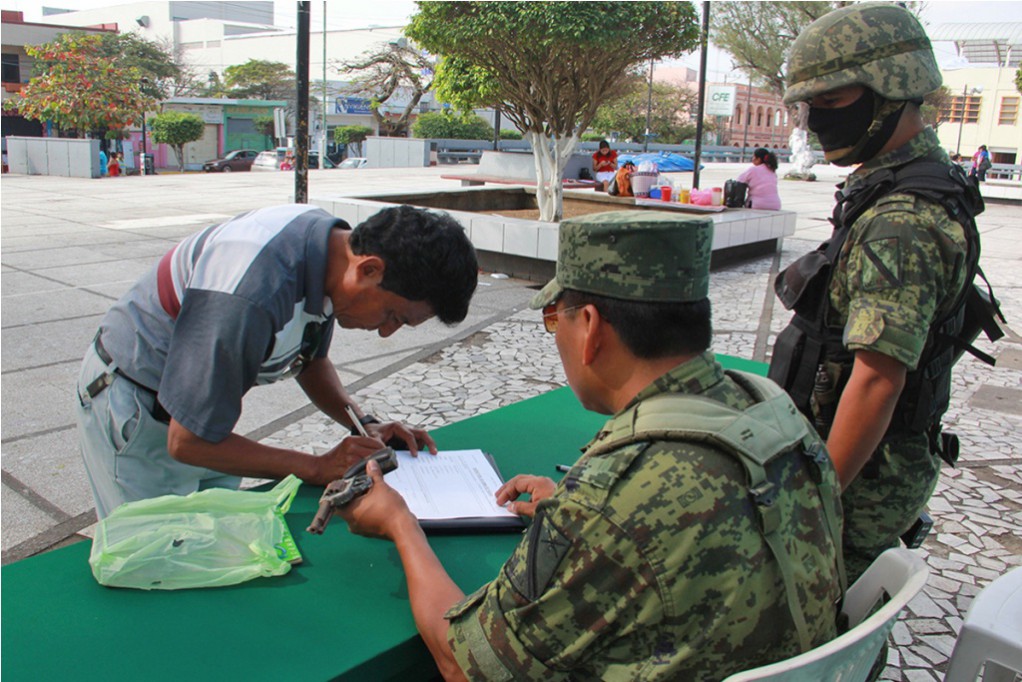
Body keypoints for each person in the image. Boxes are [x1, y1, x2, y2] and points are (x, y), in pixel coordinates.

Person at [337, 211, 844, 680]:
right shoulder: (772, 405)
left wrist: (400, 524)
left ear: (592, 328)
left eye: (556, 318)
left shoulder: (613, 494)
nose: (556, 335)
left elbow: (464, 665)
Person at [75, 204, 479, 518]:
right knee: (153, 561)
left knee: (208, 539)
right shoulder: (250, 291)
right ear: (370, 269)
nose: (387, 332)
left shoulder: (330, 251)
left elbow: (310, 358)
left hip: (198, 415)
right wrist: (314, 467)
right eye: (394, 316)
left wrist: (364, 423)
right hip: (137, 408)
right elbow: (188, 442)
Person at [769, 2, 985, 583]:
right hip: (868, 466)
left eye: (833, 103)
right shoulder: (907, 184)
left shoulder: (901, 220)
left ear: (895, 86)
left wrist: (817, 502)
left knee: (820, 617)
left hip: (859, 482)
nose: (817, 121)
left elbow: (876, 378)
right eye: (811, 106)